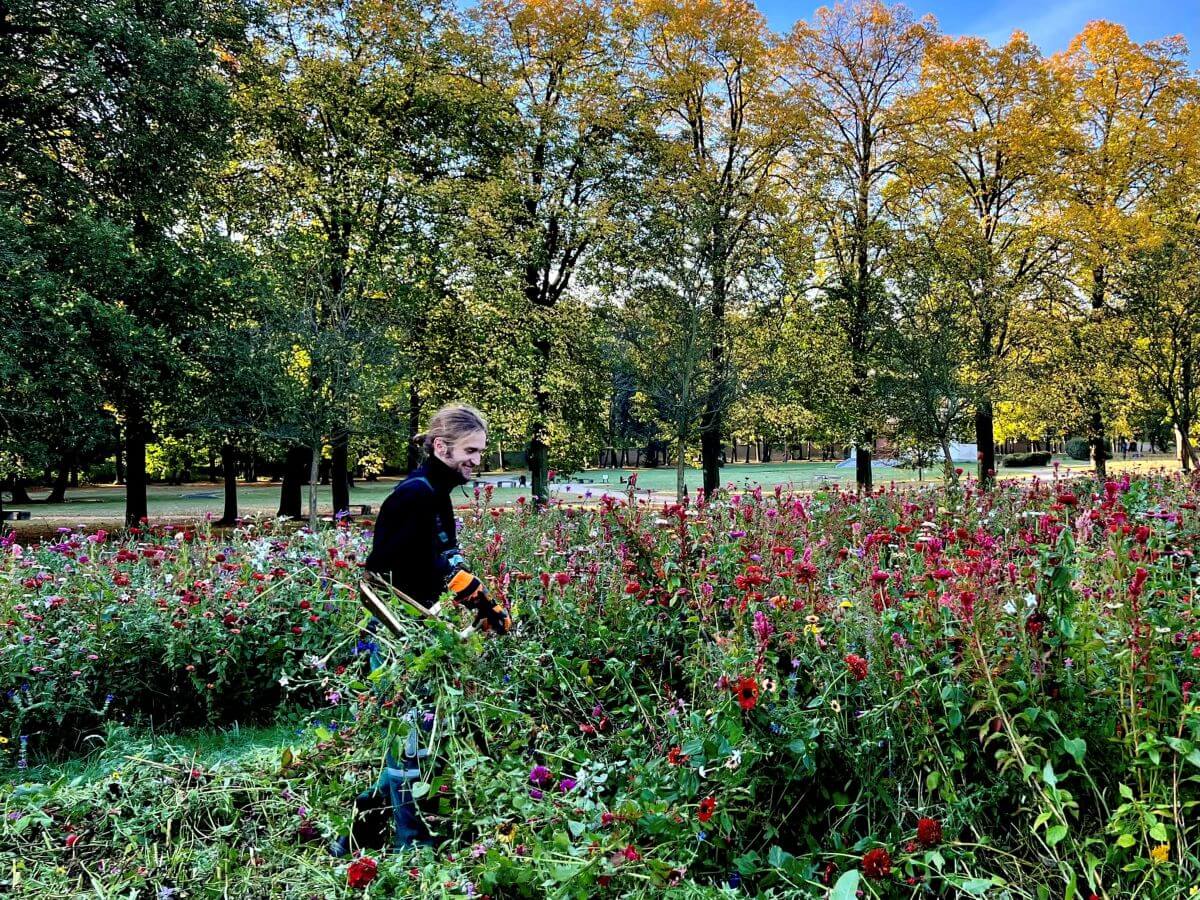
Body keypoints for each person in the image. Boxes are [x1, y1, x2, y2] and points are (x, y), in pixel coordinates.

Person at [332, 403, 511, 857]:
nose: (476, 460)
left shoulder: (436, 494)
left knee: (411, 734)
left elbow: (443, 559)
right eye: (469, 450)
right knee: (411, 738)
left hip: (419, 633)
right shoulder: (415, 495)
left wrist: (483, 603)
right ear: (440, 446)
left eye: (480, 452)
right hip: (397, 636)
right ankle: (412, 847)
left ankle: (357, 834)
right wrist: (457, 595)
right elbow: (384, 571)